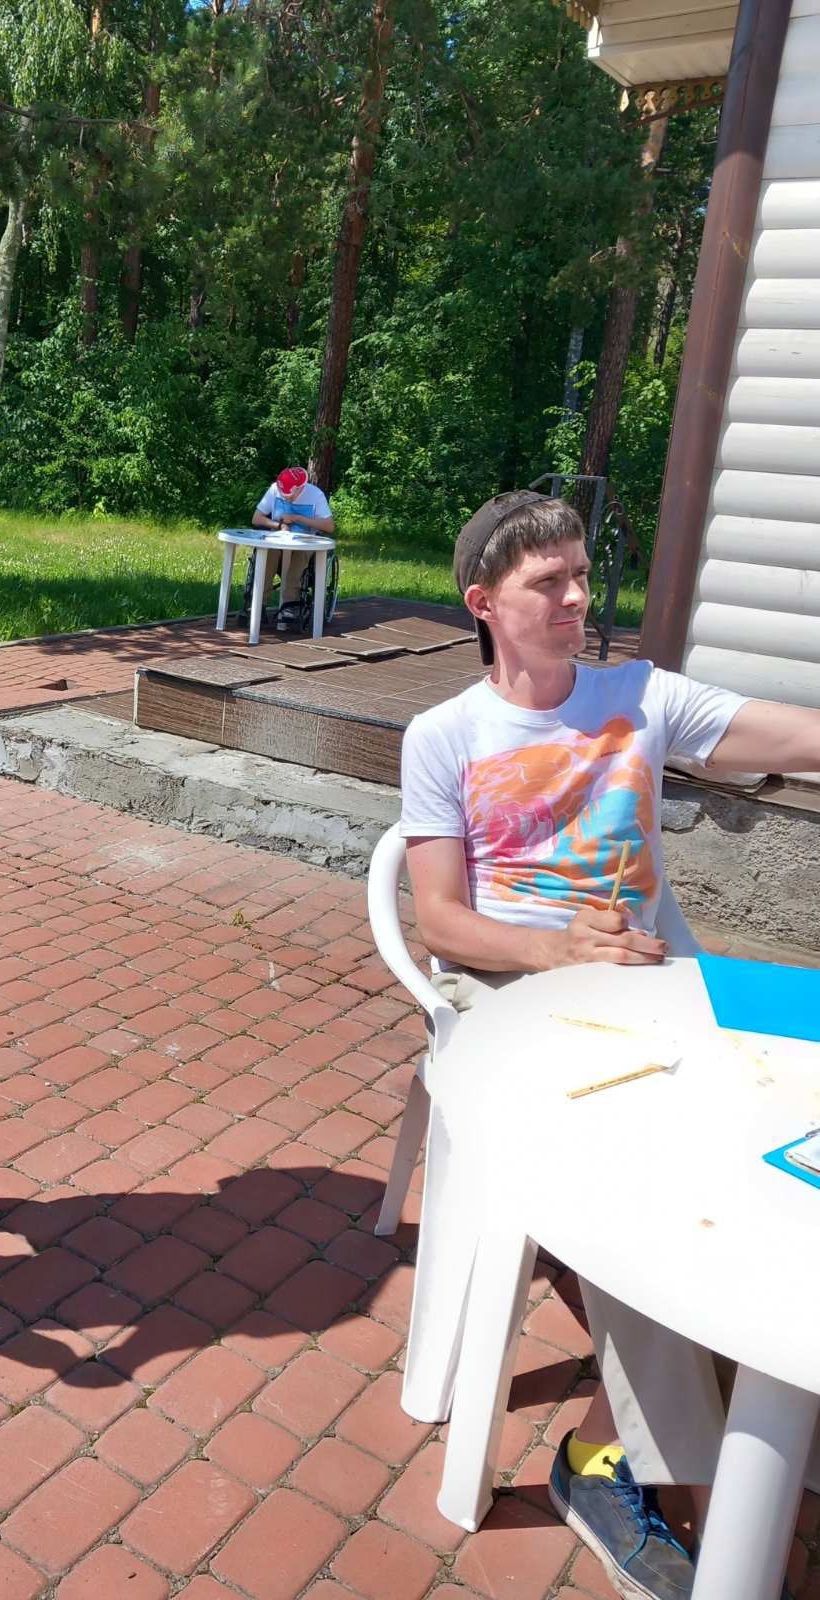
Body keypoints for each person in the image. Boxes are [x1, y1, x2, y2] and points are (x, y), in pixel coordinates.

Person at [400, 489, 820, 1599]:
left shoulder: (643, 697)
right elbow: (439, 921)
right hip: (514, 987)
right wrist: (555, 950)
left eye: (584, 575)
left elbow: (792, 736)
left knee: (788, 1119)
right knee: (643, 1179)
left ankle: (765, 1407)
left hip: (654, 982)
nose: (578, 599)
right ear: (484, 603)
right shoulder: (445, 736)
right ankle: (671, 1483)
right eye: (549, 582)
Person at [251, 465, 335, 631]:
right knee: (268, 553)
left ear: (300, 488)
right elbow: (256, 518)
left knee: (299, 557)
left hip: (305, 542)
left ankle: (290, 604)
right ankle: (259, 602)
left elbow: (329, 526)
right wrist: (278, 525)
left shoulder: (315, 495)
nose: (285, 498)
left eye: (289, 496)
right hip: (278, 540)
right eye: (283, 495)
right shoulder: (274, 489)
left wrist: (298, 518)